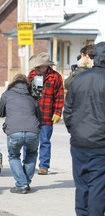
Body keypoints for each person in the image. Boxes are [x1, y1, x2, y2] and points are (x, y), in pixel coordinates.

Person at [63, 42, 105, 216]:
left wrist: (74, 131)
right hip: (100, 143)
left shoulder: (78, 78)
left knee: (81, 185)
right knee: (97, 186)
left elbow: (68, 111)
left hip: (79, 141)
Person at [0, 74, 41, 194]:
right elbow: (39, 116)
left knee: (13, 156)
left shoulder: (7, 95)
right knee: (31, 154)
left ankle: (22, 184)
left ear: (13, 83)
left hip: (14, 131)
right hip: (33, 130)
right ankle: (25, 182)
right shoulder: (32, 97)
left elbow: (0, 112)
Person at [28, 52, 64, 175]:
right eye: (35, 66)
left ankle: (43, 166)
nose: (36, 68)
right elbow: (28, 94)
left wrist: (58, 112)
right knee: (30, 141)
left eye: (39, 66)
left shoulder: (56, 77)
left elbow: (59, 97)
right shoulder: (32, 75)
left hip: (47, 115)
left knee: (45, 141)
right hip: (32, 115)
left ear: (46, 66)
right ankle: (28, 164)